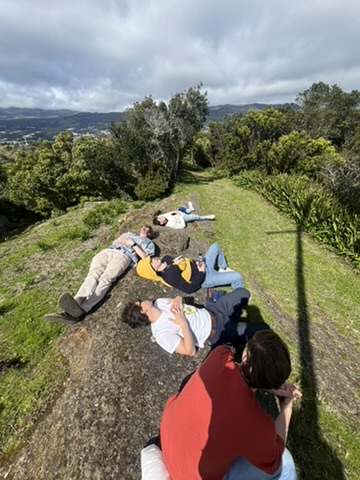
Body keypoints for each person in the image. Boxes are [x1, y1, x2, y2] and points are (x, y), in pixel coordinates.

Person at [159, 330, 301, 479]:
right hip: (186, 476)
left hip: (168, 433)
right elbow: (275, 459)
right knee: (286, 463)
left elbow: (238, 370)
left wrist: (262, 381)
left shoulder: (220, 355)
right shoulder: (257, 424)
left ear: (246, 353)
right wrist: (286, 407)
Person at [44, 225, 155, 324]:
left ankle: (82, 309)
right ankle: (75, 303)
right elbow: (115, 242)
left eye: (147, 228)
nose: (144, 228)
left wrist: (133, 244)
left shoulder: (148, 243)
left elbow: (146, 258)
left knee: (106, 279)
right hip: (107, 251)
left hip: (124, 255)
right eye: (143, 227)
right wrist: (119, 240)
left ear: (150, 233)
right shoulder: (128, 234)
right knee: (92, 275)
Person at [121, 288, 269, 356]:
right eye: (140, 302)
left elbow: (179, 299)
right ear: (143, 310)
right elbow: (189, 351)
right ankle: (234, 335)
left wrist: (179, 298)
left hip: (213, 309)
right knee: (263, 329)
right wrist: (182, 323)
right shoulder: (161, 333)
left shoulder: (159, 302)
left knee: (243, 294)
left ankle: (235, 323)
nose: (143, 299)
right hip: (217, 331)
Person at [136, 242, 244, 293]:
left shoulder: (166, 258)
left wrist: (197, 263)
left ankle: (223, 268)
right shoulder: (169, 277)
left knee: (215, 246)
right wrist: (201, 273)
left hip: (201, 265)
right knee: (237, 277)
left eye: (151, 259)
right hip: (205, 278)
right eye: (151, 263)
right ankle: (239, 295)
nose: (154, 259)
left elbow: (186, 263)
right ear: (153, 271)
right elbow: (189, 289)